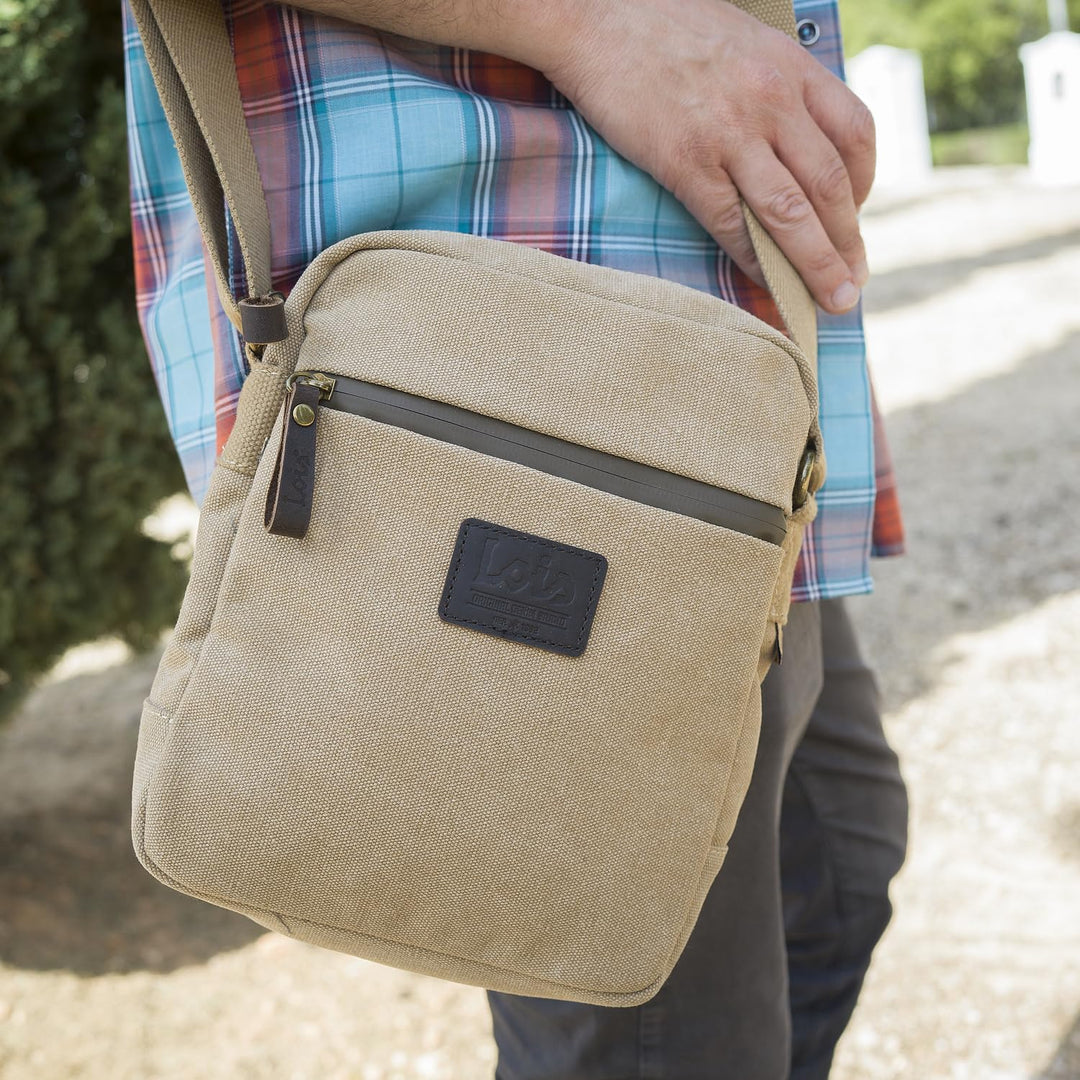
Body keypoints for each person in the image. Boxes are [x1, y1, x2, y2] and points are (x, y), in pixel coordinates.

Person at [123, 0, 909, 1075]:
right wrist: (604, 30)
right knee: (651, 1024)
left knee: (837, 877)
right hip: (492, 340)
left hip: (723, 379)